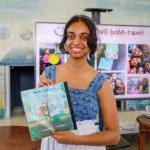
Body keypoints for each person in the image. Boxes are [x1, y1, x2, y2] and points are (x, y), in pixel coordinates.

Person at [39, 15, 120, 150]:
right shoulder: (48, 74)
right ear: (65, 41)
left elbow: (114, 135)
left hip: (86, 146)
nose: (76, 42)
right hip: (53, 144)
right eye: (71, 36)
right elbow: (42, 122)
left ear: (92, 42)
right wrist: (40, 99)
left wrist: (76, 139)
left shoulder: (100, 81)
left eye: (84, 37)